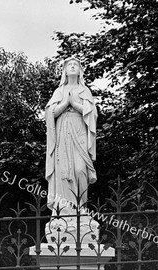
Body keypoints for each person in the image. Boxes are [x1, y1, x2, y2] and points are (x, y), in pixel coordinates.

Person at [45, 57, 97, 217]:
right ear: (65, 71)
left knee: (80, 169)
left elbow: (92, 113)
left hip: (79, 132)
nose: (73, 67)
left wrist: (74, 104)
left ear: (80, 70)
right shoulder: (59, 91)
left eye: (76, 65)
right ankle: (63, 210)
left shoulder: (84, 90)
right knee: (63, 171)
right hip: (62, 133)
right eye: (69, 65)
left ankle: (80, 207)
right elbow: (50, 113)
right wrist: (66, 102)